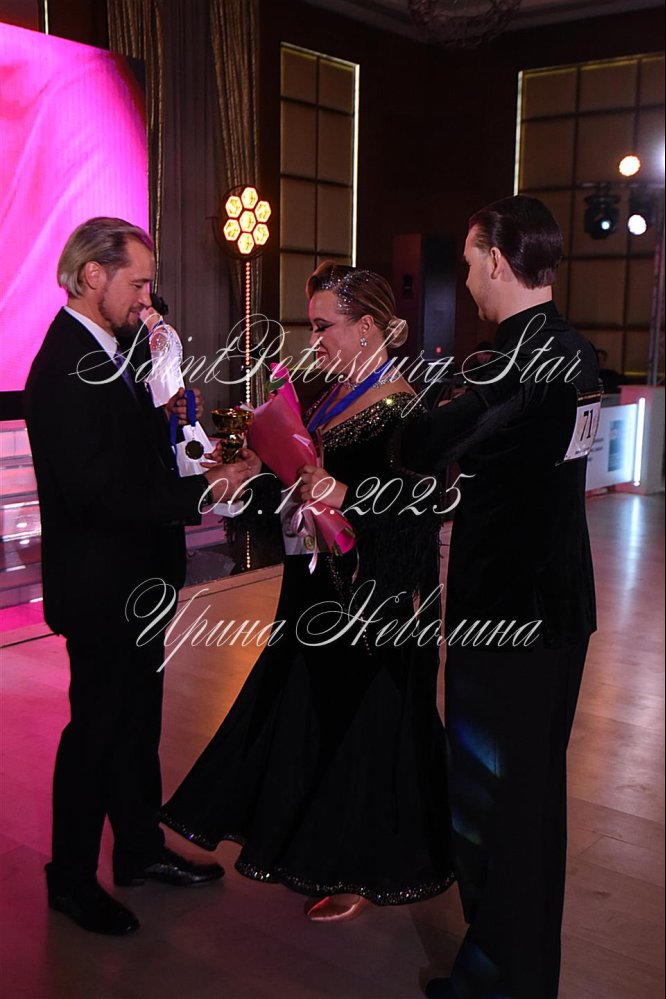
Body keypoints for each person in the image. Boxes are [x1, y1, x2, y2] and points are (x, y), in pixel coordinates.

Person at [160, 262, 455, 921]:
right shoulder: (330, 394)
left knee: (368, 725)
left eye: (325, 326)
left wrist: (347, 494)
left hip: (374, 599)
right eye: (312, 325)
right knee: (307, 711)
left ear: (368, 326)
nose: (314, 339)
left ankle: (362, 867)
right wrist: (246, 466)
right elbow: (292, 465)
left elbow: (422, 509)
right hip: (316, 587)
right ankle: (312, 841)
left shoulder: (405, 407)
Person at [23, 217, 257, 936]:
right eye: (140, 281)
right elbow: (99, 491)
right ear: (92, 275)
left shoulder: (111, 350)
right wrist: (203, 490)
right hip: (100, 586)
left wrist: (182, 436)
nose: (148, 296)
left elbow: (134, 456)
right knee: (95, 731)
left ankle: (138, 848)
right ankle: (69, 879)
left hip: (134, 580)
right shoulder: (66, 364)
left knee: (135, 724)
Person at [413, 196, 599, 999]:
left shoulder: (513, 360)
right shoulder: (577, 350)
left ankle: (496, 983)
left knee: (492, 808)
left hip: (507, 617)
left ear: (496, 259)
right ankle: (520, 977)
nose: (465, 278)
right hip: (559, 606)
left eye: (468, 261)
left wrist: (393, 401)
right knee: (533, 803)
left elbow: (423, 442)